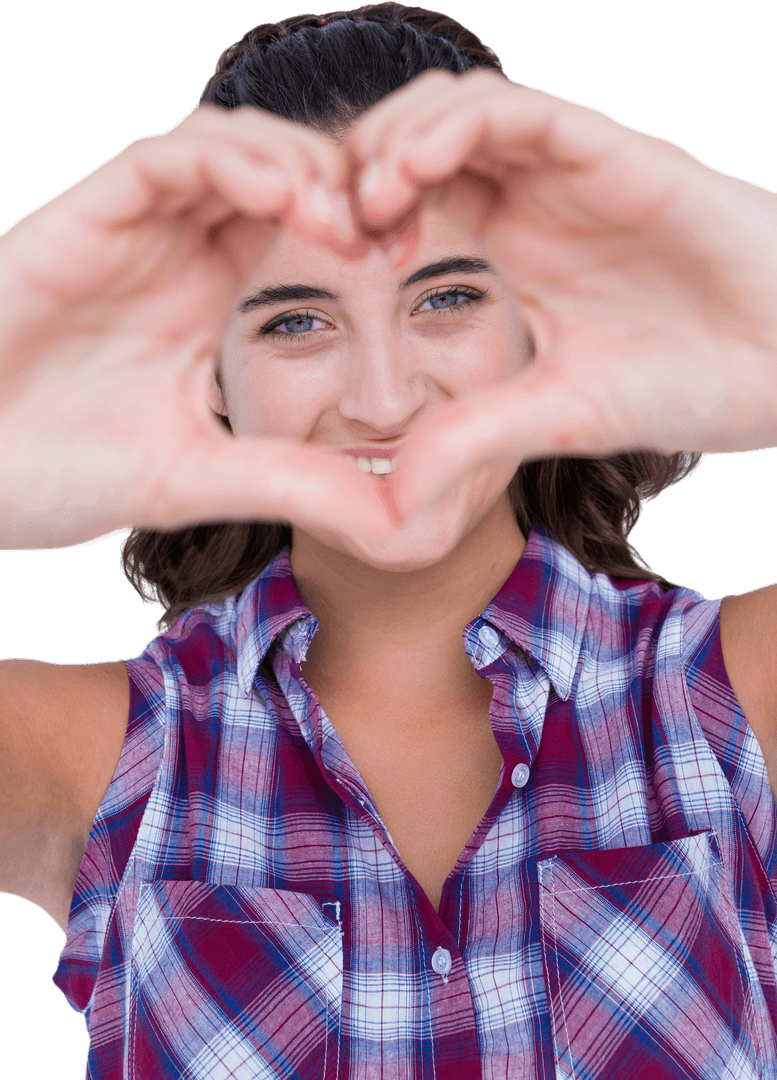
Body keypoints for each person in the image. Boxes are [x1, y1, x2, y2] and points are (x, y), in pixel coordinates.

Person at [2, 2, 777, 1077]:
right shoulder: (103, 754)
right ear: (207, 371)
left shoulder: (732, 697)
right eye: (295, 321)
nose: (383, 397)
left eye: (448, 296)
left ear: (539, 322)